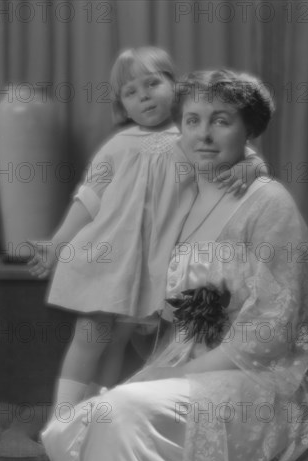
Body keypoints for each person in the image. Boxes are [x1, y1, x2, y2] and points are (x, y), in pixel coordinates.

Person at [42, 68, 308, 461]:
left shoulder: (270, 204)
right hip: (188, 368)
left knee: (119, 414)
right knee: (82, 423)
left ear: (249, 131)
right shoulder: (185, 186)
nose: (203, 133)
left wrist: (169, 376)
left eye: (221, 120)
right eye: (192, 119)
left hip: (260, 380)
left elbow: (275, 330)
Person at [28, 47, 266, 407]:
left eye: (152, 83)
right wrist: (58, 242)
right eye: (131, 92)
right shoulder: (117, 145)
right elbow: (90, 197)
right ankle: (63, 415)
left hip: (155, 259)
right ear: (123, 106)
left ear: (175, 85)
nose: (144, 95)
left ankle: (97, 409)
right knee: (91, 333)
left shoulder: (191, 139)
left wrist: (251, 167)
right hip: (106, 254)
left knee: (122, 339)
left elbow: (243, 155)